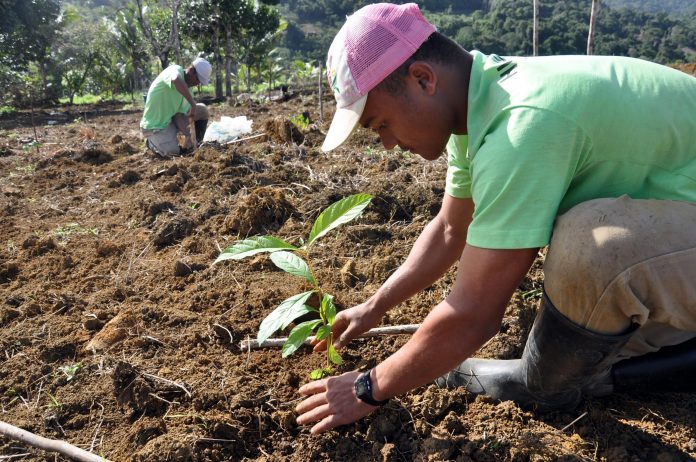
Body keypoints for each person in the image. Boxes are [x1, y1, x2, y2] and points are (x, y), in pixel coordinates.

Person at [295, 2, 696, 435]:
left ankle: (551, 384)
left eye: (381, 124)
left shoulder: (521, 124)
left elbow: (475, 314)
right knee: (587, 317)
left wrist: (368, 387)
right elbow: (451, 228)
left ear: (423, 79)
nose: (387, 144)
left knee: (594, 248)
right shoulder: (483, 100)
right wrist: (373, 308)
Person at [140, 57, 212, 157]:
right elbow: (175, 79)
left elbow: (178, 115)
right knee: (172, 152)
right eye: (198, 79)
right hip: (155, 126)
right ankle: (151, 142)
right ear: (191, 71)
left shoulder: (189, 90)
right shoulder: (174, 70)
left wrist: (189, 136)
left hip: (170, 120)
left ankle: (197, 144)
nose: (198, 83)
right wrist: (192, 103)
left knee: (202, 110)